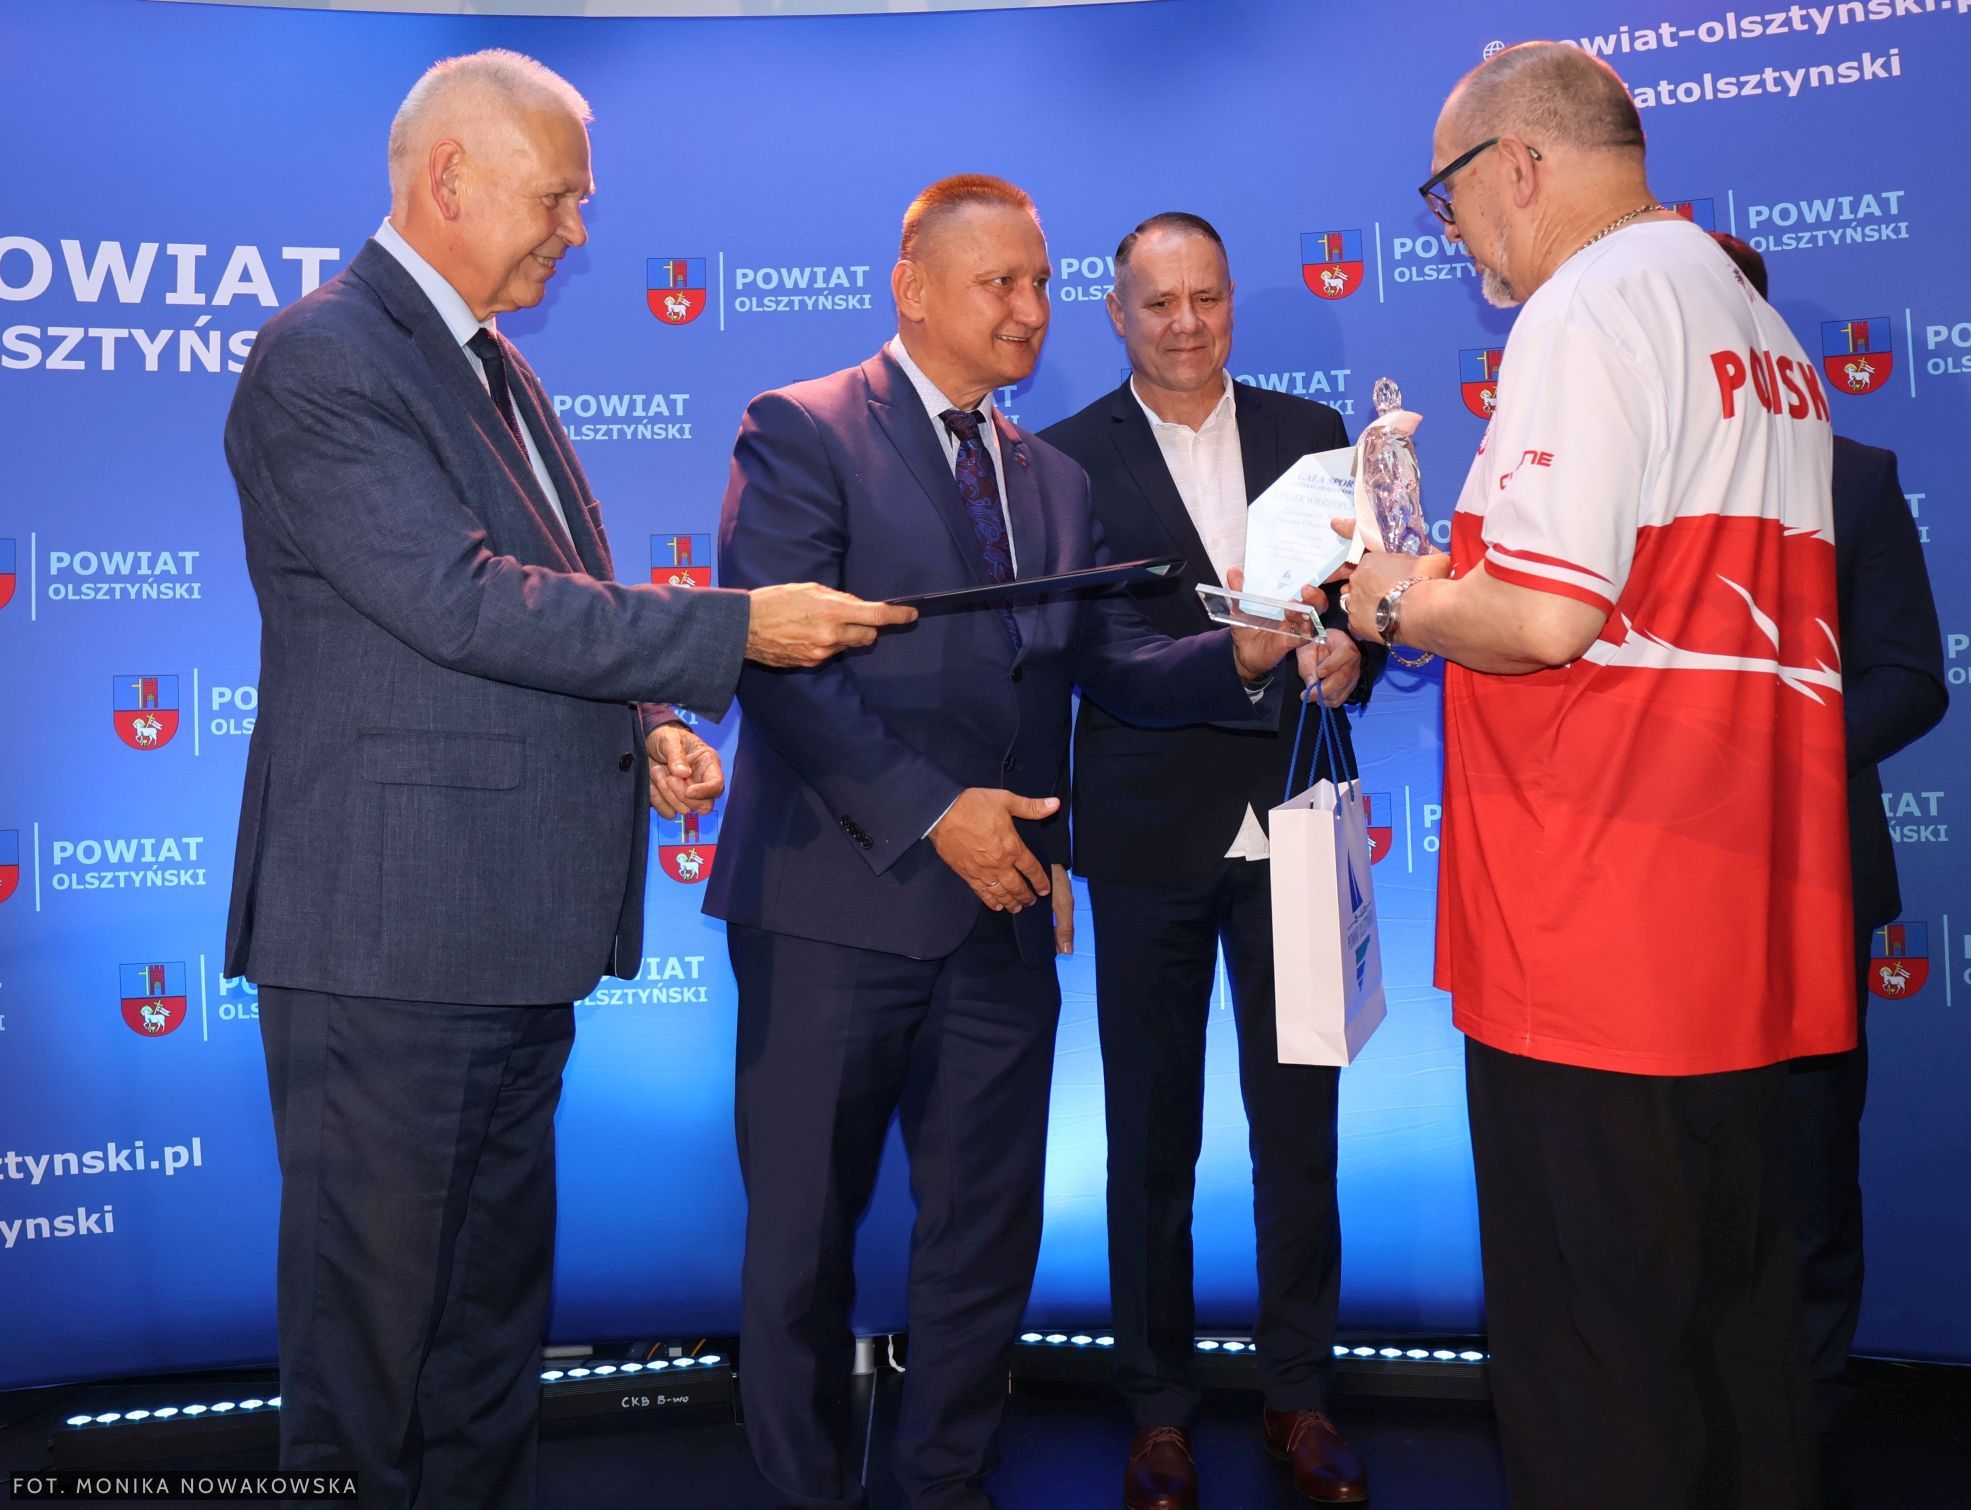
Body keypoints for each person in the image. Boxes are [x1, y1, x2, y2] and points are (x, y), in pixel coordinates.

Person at [222, 51, 905, 1508]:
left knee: (482, 1353)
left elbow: (541, 589)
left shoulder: (487, 362)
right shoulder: (327, 356)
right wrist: (732, 631)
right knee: (366, 1371)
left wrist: (644, 719)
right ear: (448, 177)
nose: (577, 232)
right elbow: (458, 598)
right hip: (386, 946)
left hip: (504, 939)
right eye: (558, 199)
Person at [706, 174, 1317, 1510]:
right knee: (800, 1247)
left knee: (983, 1238)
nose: (1031, 310)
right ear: (913, 288)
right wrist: (937, 811)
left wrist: (1241, 653)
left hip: (1001, 914)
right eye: (1001, 283)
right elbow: (778, 662)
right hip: (833, 907)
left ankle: (947, 1485)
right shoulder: (801, 428)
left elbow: (1113, 665)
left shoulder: (1052, 477)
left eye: (1041, 283)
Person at [1317, 43, 1853, 1510]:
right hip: (1731, 922)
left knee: (1593, 1363)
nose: (1451, 232)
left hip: (1595, 921)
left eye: (1445, 199)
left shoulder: (1589, 302)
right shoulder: (1751, 321)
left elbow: (1545, 618)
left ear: (1518, 164)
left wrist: (1391, 598)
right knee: (1735, 1345)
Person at [1040, 212, 1372, 1510]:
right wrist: (1234, 658)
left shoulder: (1312, 433)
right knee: (1148, 1136)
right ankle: (1158, 1410)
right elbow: (1094, 656)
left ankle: (1300, 1391)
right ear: (1116, 314)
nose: (1186, 324)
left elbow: (1361, 601)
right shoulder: (1065, 460)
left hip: (1298, 819)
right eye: (1159, 303)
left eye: (1208, 299)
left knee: (1300, 1132)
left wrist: (1354, 655)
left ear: (1233, 300)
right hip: (1146, 835)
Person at [1709, 232, 1949, 1476]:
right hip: (1646, 896)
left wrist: (1766, 754)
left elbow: (1910, 679)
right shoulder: (1612, 491)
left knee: (1806, 1162)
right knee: (1673, 1173)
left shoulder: (1852, 478)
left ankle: (1799, 1423)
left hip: (1806, 875)